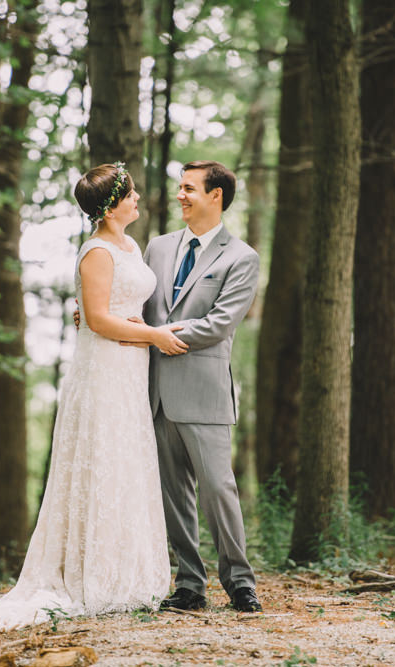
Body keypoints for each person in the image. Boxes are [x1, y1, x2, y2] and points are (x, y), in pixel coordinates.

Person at [0, 162, 187, 642]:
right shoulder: (95, 251)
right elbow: (96, 319)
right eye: (131, 194)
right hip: (105, 368)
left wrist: (147, 331)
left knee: (126, 463)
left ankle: (127, 573)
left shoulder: (129, 246)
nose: (139, 199)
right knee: (102, 459)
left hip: (131, 366)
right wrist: (153, 336)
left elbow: (120, 308)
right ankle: (91, 576)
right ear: (113, 205)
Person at [142, 160, 263, 614]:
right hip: (155, 393)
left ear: (217, 195)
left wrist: (159, 334)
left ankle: (240, 584)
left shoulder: (241, 257)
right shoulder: (156, 247)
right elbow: (135, 304)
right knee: (174, 495)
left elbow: (219, 324)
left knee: (218, 490)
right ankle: (190, 586)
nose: (180, 195)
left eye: (189, 188)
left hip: (205, 393)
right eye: (179, 187)